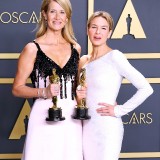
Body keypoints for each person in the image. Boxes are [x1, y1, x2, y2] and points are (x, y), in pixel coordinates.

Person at [76, 11, 153, 160]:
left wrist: (119, 110)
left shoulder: (114, 57)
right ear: (87, 30)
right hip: (85, 128)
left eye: (104, 28)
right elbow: (81, 99)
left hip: (107, 128)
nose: (98, 32)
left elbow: (146, 88)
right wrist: (79, 98)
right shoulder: (83, 61)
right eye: (94, 27)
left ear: (109, 33)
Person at [12, 0, 83, 160]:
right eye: (52, 11)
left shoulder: (75, 48)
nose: (57, 17)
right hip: (43, 115)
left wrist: (81, 93)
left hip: (71, 117)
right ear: (44, 15)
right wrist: (43, 91)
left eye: (62, 12)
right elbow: (17, 88)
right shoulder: (32, 48)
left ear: (67, 17)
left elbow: (76, 85)